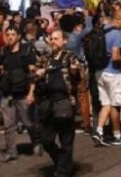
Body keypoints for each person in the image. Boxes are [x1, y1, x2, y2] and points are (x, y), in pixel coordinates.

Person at [32, 29, 84, 177]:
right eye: (51, 38)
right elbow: (33, 74)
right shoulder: (45, 58)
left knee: (66, 140)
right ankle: (61, 161)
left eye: (57, 38)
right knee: (46, 139)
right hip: (48, 104)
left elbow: (78, 71)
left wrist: (75, 70)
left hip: (64, 103)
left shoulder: (69, 57)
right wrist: (37, 74)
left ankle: (63, 171)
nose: (53, 41)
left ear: (64, 41)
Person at [0, 25, 41, 161]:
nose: (10, 37)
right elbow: (1, 67)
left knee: (28, 122)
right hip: (8, 93)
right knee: (9, 125)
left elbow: (33, 73)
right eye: (7, 35)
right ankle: (11, 151)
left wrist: (31, 93)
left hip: (23, 93)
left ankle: (36, 141)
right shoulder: (3, 52)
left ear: (18, 36)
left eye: (13, 34)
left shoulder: (26, 52)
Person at [93, 10, 121, 146]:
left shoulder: (102, 30)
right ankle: (117, 134)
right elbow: (115, 57)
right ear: (118, 19)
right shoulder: (116, 34)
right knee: (115, 105)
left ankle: (99, 131)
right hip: (113, 73)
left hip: (100, 72)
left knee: (106, 103)